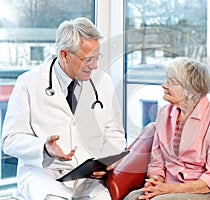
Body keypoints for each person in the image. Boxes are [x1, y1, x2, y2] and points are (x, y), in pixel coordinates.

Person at [1, 17, 126, 200]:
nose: (95, 65)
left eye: (97, 58)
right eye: (88, 59)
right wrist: (43, 147)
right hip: (43, 173)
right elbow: (9, 140)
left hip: (88, 177)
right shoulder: (28, 82)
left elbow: (114, 133)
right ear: (64, 55)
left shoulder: (103, 82)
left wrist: (105, 163)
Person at [124, 57, 210, 200]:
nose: (164, 85)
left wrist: (168, 190)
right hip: (169, 187)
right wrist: (156, 183)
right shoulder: (164, 112)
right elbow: (157, 162)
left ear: (191, 91)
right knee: (132, 197)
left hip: (203, 190)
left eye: (171, 82)